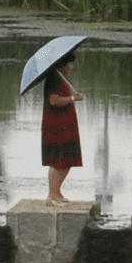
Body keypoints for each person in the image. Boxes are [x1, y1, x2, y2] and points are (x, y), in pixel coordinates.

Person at [39, 63, 84, 202]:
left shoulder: (62, 79)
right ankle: (51, 195)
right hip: (56, 126)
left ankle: (57, 193)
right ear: (63, 64)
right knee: (57, 160)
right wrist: (72, 98)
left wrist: (72, 96)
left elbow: (62, 98)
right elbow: (54, 100)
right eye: (70, 64)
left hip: (67, 125)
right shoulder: (54, 78)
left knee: (68, 159)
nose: (71, 67)